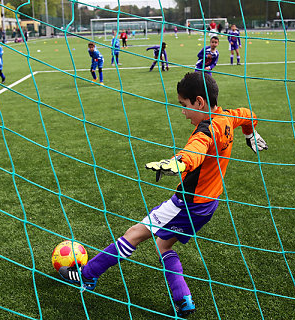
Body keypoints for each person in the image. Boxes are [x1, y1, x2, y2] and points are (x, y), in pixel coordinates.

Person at [58, 72, 268, 318]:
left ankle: (87, 275)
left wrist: (177, 163)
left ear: (199, 102)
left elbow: (194, 152)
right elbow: (249, 116)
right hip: (209, 204)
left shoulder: (206, 131)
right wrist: (249, 134)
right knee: (163, 244)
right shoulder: (228, 117)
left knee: (134, 235)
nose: (183, 111)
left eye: (184, 105)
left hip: (187, 204)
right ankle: (183, 299)